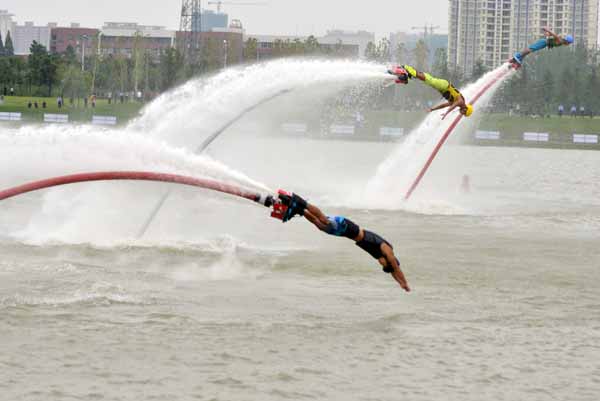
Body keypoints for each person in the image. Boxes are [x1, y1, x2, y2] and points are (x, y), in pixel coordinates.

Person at [273, 191, 410, 291]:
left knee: (320, 226)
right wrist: (405, 283)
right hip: (350, 228)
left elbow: (393, 271)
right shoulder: (387, 250)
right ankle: (301, 202)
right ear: (391, 261)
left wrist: (399, 284)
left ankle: (298, 209)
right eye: (385, 264)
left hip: (346, 234)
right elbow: (395, 267)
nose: (381, 264)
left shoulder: (380, 256)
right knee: (324, 220)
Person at [389, 65, 474, 120]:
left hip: (441, 87)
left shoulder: (456, 102)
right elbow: (453, 106)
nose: (462, 113)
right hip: (444, 86)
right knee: (430, 81)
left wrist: (432, 109)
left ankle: (407, 75)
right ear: (465, 109)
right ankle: (407, 69)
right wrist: (447, 113)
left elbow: (444, 105)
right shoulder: (461, 102)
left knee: (428, 80)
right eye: (464, 113)